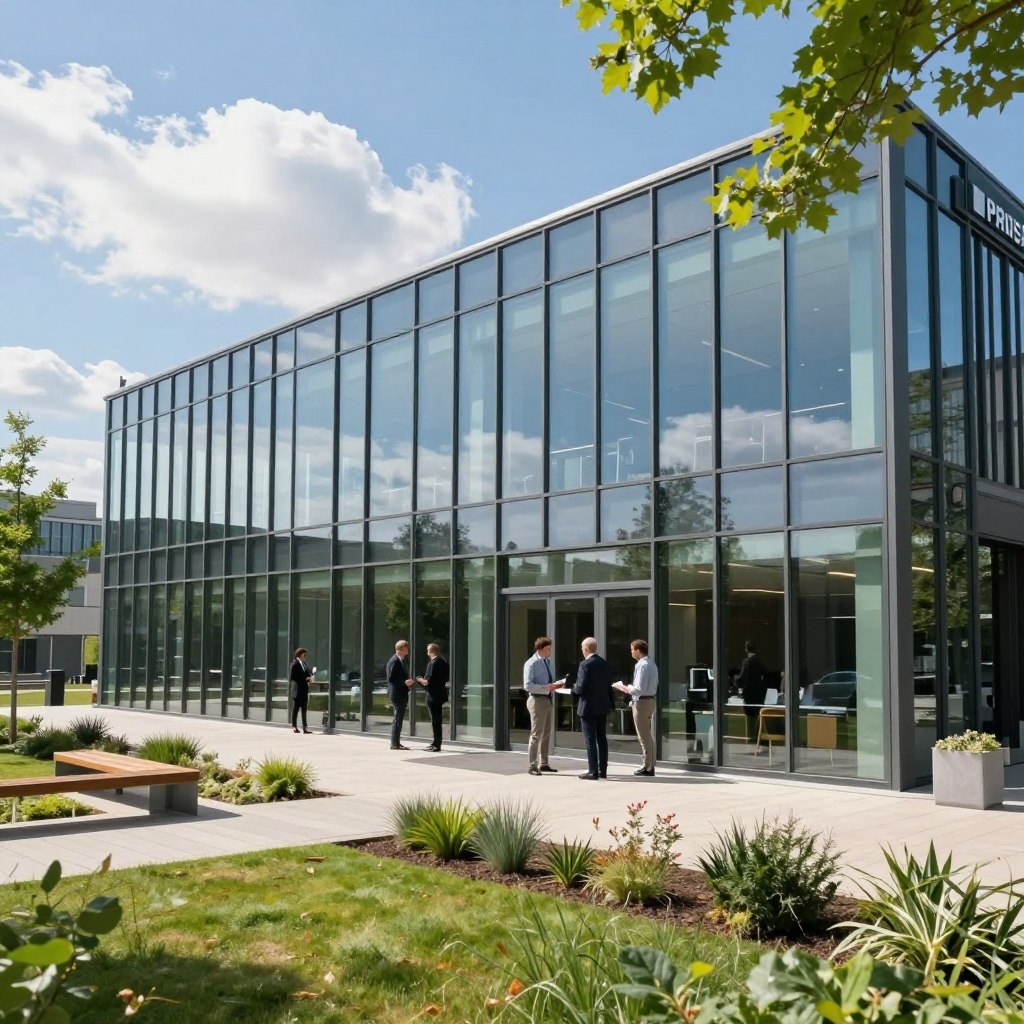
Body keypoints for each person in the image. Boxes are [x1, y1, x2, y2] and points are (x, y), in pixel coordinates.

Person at [613, 639, 659, 776]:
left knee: (643, 736)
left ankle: (648, 766)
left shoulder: (641, 665)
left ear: (638, 650)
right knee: (647, 735)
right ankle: (650, 764)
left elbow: (638, 689)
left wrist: (624, 687)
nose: (631, 652)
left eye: (632, 649)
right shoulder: (652, 664)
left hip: (642, 702)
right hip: (650, 700)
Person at [573, 636, 614, 780]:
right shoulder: (604, 663)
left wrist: (571, 687)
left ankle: (593, 771)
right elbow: (609, 686)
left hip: (588, 707)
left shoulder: (585, 664)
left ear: (586, 649)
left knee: (590, 739)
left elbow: (580, 688)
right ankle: (603, 770)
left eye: (582, 648)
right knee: (602, 738)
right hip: (602, 706)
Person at [523, 636, 561, 776]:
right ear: (541, 649)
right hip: (537, 701)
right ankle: (532, 766)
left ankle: (544, 763)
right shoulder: (531, 663)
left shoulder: (546, 662)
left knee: (546, 732)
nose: (550, 651)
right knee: (536, 734)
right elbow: (528, 685)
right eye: (548, 649)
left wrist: (555, 686)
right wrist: (546, 688)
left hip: (547, 700)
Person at [416, 643, 449, 751]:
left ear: (431, 651)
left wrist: (419, 679)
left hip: (433, 695)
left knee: (435, 721)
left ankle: (436, 744)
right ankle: (436, 742)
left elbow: (427, 681)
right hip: (441, 694)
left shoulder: (433, 663)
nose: (427, 653)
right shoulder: (443, 662)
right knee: (437, 720)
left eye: (427, 651)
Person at [737, 640, 769, 746]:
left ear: (746, 649)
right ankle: (759, 736)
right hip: (760, 693)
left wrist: (736, 681)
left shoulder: (747, 662)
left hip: (749, 693)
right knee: (759, 714)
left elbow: (742, 678)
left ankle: (751, 737)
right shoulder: (760, 661)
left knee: (750, 716)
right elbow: (766, 675)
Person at [386, 640, 415, 750]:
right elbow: (391, 679)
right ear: (401, 649)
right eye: (406, 648)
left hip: (401, 693)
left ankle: (396, 742)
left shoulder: (401, 660)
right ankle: (394, 743)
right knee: (397, 719)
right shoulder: (394, 661)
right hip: (397, 694)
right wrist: (404, 682)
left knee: (399, 718)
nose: (408, 650)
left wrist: (407, 682)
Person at [289, 647, 313, 734]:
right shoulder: (295, 664)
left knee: (304, 709)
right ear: (300, 655)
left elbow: (307, 673)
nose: (305, 656)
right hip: (297, 691)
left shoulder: (304, 664)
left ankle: (305, 727)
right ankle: (294, 726)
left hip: (304, 690)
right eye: (304, 655)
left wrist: (310, 677)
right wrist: (305, 679)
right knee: (296, 709)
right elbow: (293, 677)